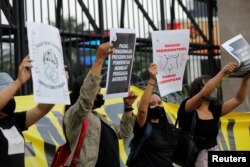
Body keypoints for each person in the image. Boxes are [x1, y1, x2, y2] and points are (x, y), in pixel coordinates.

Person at [63, 42, 137, 167]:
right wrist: (99, 60)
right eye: (97, 91)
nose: (100, 94)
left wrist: (128, 107)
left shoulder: (100, 118)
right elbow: (86, 99)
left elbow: (124, 133)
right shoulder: (74, 115)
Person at [177, 62, 250, 167]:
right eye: (210, 85)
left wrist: (246, 78)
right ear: (198, 89)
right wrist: (223, 72)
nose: (214, 88)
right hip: (194, 158)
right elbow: (204, 94)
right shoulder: (188, 107)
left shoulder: (214, 110)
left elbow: (238, 99)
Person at [0, 56, 55, 167]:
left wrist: (54, 84)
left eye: (12, 95)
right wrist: (18, 82)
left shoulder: (14, 120)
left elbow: (41, 109)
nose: (11, 98)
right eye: (8, 94)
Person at [127, 63, 176, 167]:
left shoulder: (170, 129)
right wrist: (152, 80)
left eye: (159, 103)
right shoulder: (143, 127)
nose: (157, 106)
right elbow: (142, 111)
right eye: (152, 104)